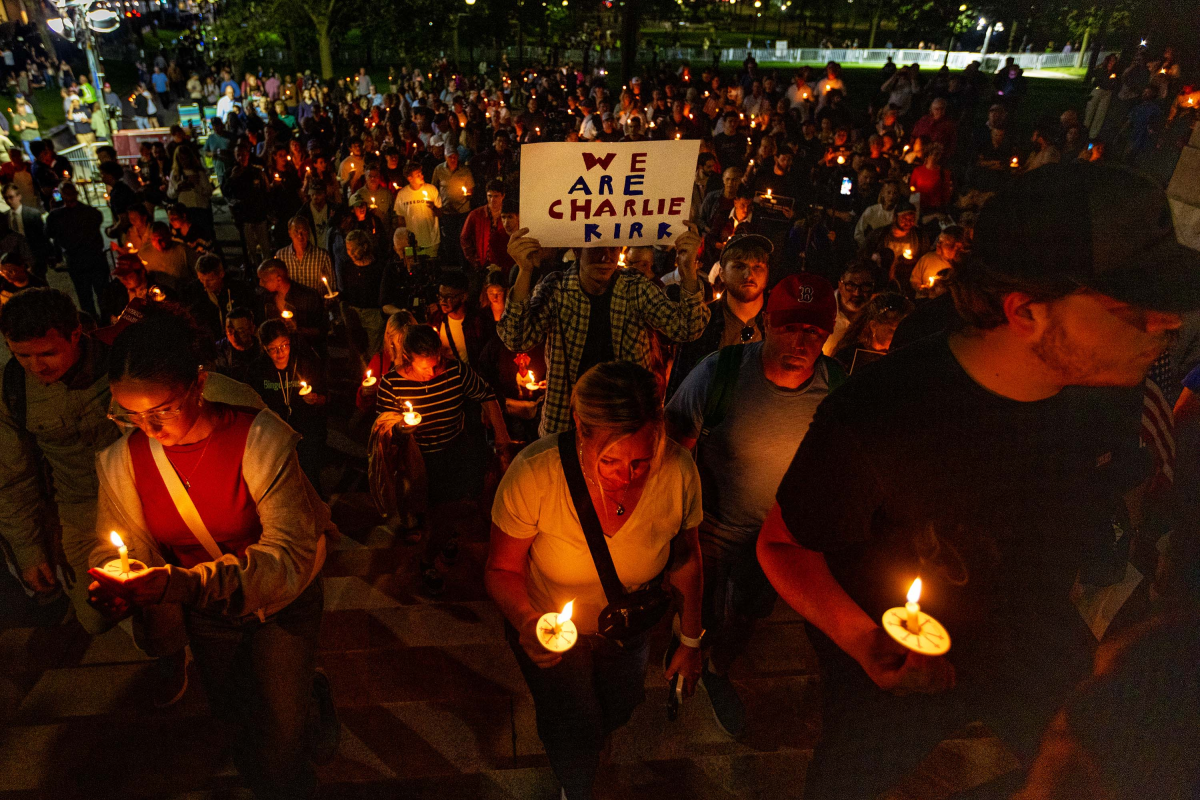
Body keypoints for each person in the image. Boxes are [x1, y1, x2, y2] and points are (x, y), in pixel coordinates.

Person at [756, 163, 1198, 800]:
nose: (1169, 324)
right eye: (1135, 307)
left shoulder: (1109, 392)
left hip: (1033, 650)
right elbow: (783, 545)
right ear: (1025, 313)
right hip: (897, 672)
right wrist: (863, 645)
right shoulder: (882, 416)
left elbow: (1116, 490)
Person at [85, 308, 339, 799]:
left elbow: (286, 556)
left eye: (161, 410)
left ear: (198, 385)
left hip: (283, 603)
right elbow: (120, 541)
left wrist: (183, 583)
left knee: (282, 740)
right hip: (205, 614)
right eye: (129, 415)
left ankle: (296, 749)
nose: (147, 428)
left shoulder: (260, 441)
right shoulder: (121, 462)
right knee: (234, 714)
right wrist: (120, 580)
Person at [486, 361, 703, 800]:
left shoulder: (678, 472)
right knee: (570, 720)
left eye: (642, 461)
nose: (626, 478)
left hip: (628, 628)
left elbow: (686, 558)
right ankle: (575, 782)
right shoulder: (535, 474)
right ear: (580, 428)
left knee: (620, 705)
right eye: (611, 461)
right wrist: (527, 620)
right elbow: (501, 569)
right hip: (551, 632)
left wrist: (691, 641)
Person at [666, 273, 841, 737]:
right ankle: (687, 656)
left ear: (827, 334)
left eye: (813, 331)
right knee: (696, 611)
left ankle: (718, 669)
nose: (800, 341)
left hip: (780, 542)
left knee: (748, 613)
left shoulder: (838, 390)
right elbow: (674, 450)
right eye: (789, 327)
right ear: (767, 322)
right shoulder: (718, 375)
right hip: (711, 532)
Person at [0, 288, 191, 702]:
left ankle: (171, 654)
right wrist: (29, 550)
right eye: (22, 356)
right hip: (80, 507)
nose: (36, 366)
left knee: (154, 591)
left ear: (76, 335)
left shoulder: (123, 361)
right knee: (94, 615)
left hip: (144, 494)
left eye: (46, 353)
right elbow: (13, 477)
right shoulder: (13, 388)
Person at [500, 226, 709, 436]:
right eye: (596, 247)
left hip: (628, 424)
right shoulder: (556, 289)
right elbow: (516, 339)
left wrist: (687, 270)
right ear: (577, 249)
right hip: (566, 427)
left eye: (613, 248)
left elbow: (687, 329)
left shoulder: (635, 287)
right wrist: (524, 270)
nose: (605, 257)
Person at [376, 324, 512, 594]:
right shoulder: (391, 384)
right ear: (408, 358)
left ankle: (429, 557)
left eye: (435, 365)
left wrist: (502, 437)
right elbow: (383, 427)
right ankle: (440, 543)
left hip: (454, 450)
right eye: (424, 367)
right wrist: (402, 429)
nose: (431, 373)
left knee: (448, 507)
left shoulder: (455, 371)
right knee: (434, 509)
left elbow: (485, 394)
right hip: (419, 458)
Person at [669, 233, 769, 397]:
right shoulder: (702, 322)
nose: (749, 275)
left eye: (757, 267)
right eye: (739, 266)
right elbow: (680, 388)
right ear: (721, 273)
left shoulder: (778, 325)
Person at [246, 318, 330, 488]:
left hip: (305, 427)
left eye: (284, 345)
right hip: (275, 430)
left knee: (310, 471)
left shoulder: (305, 363)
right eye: (273, 349)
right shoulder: (257, 370)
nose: (280, 352)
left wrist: (315, 399)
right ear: (264, 348)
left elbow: (326, 398)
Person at [44, 183, 107, 321]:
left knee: (85, 295)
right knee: (101, 293)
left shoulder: (56, 216)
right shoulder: (92, 212)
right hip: (95, 258)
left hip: (77, 260)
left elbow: (50, 233)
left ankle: (93, 321)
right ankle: (106, 321)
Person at [255, 258, 328, 353]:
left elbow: (322, 330)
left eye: (263, 280)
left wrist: (298, 329)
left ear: (278, 279)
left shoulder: (308, 296)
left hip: (305, 352)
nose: (260, 283)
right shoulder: (266, 298)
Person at [831, 292, 913, 372]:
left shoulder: (902, 357)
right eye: (892, 330)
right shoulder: (846, 358)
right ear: (874, 326)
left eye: (902, 330)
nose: (899, 335)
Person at [188, 253, 258, 342]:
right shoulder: (194, 292)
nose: (205, 285)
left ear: (221, 274)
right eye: (201, 279)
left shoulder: (239, 290)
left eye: (210, 280)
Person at [430, 270, 492, 369]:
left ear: (463, 297)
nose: (443, 301)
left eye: (449, 297)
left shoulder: (478, 322)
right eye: (441, 296)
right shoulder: (437, 319)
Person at [340, 230, 386, 362]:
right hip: (354, 314)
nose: (351, 254)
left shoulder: (378, 267)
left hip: (374, 315)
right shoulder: (347, 267)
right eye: (348, 250)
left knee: (374, 353)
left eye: (354, 249)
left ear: (364, 246)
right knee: (357, 353)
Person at [823, 261, 878, 357]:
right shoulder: (821, 309)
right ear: (840, 285)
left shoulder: (879, 315)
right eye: (851, 285)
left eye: (865, 286)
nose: (857, 293)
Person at [393, 160, 441, 258]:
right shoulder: (402, 195)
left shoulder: (432, 190)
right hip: (411, 243)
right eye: (418, 175)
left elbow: (440, 213)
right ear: (410, 178)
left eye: (421, 173)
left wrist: (433, 207)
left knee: (431, 269)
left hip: (431, 241)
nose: (422, 176)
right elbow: (400, 219)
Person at [275, 216, 335, 295]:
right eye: (296, 231)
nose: (300, 235)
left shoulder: (322, 256)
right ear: (289, 233)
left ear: (308, 233)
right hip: (291, 305)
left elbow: (331, 285)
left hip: (316, 304)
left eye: (304, 231)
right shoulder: (281, 256)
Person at [460, 179, 510, 273]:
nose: (492, 200)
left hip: (502, 264)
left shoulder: (508, 215)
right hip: (482, 264)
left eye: (496, 196)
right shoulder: (476, 215)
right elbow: (464, 237)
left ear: (502, 196)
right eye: (489, 196)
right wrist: (475, 260)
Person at [210, 307, 262, 384]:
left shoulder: (262, 349)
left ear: (252, 329)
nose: (234, 336)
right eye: (229, 331)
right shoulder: (219, 349)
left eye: (241, 331)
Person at [909, 226, 967, 293]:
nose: (938, 244)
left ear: (957, 246)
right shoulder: (928, 258)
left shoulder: (964, 267)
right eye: (939, 241)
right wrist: (921, 289)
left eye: (945, 243)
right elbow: (914, 281)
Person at [138, 221, 197, 285]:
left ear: (169, 236)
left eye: (161, 239)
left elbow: (198, 272)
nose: (158, 243)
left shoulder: (183, 250)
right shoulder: (144, 253)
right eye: (154, 239)